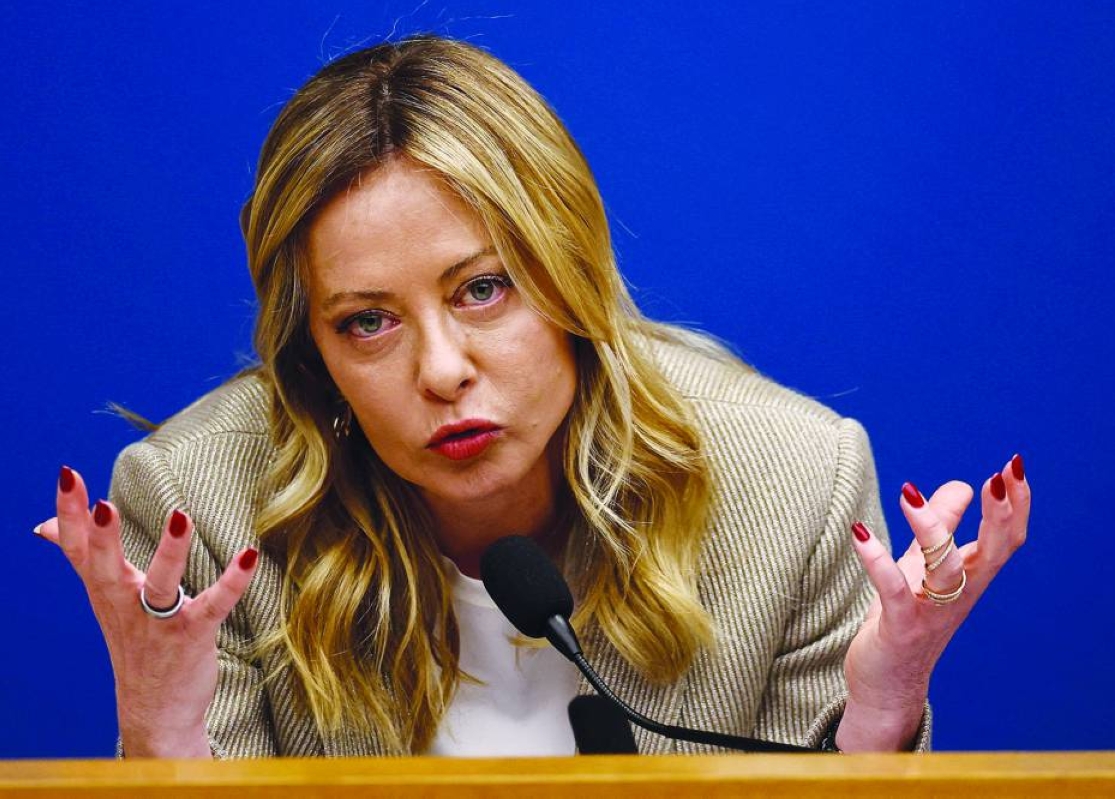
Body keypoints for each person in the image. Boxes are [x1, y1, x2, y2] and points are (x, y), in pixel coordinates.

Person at [36, 34, 1030, 759]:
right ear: (313, 355)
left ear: (572, 279)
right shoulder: (200, 508)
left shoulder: (793, 480)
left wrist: (880, 719)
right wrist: (160, 734)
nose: (441, 370)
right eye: (367, 321)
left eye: (483, 289)